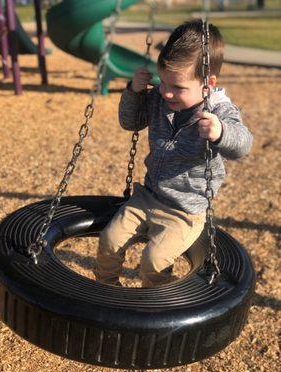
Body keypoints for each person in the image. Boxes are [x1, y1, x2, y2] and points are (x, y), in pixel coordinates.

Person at [94, 19, 253, 288]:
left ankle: (156, 304)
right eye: (163, 81)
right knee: (108, 241)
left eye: (178, 87)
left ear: (208, 84)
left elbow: (244, 145)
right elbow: (130, 122)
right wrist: (134, 91)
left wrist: (220, 132)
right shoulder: (159, 97)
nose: (166, 91)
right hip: (148, 196)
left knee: (153, 261)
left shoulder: (219, 112)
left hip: (185, 210)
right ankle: (108, 290)